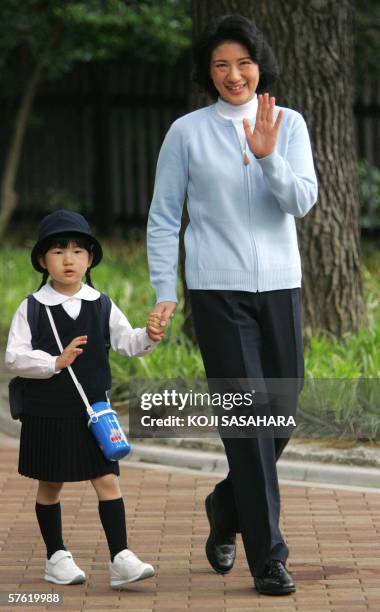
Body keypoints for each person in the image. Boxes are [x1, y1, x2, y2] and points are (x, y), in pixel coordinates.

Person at [147, 14, 317, 596]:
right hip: (216, 293)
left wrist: (269, 156)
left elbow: (301, 202)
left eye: (243, 63)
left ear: (259, 65)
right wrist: (166, 290)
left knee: (282, 413)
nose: (234, 74)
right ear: (208, 72)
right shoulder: (186, 133)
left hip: (279, 286)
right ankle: (268, 557)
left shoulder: (288, 124)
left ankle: (226, 504)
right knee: (248, 423)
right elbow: (165, 218)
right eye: (221, 64)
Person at [5, 209, 164, 589]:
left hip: (94, 412)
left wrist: (150, 335)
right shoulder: (32, 307)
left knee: (107, 479)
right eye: (58, 251)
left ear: (90, 259)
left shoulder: (101, 304)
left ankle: (121, 557)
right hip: (48, 413)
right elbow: (14, 357)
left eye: (78, 250)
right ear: (43, 261)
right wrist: (55, 362)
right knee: (51, 484)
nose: (69, 258)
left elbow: (128, 342)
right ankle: (56, 556)